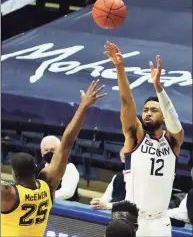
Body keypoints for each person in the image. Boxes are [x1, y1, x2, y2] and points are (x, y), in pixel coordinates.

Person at [1, 80, 107, 237]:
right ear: (35, 169)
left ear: (14, 174)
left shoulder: (7, 193)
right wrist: (83, 107)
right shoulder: (48, 185)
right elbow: (66, 143)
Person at [104, 41, 184, 237]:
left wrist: (158, 88)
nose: (148, 113)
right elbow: (126, 102)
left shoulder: (172, 140)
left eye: (154, 110)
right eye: (145, 110)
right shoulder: (136, 136)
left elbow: (175, 122)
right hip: (133, 219)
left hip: (160, 221)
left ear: (163, 115)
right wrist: (119, 68)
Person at [37, 135, 80, 201]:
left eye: (52, 150)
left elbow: (67, 192)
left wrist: (42, 197)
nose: (49, 153)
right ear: (42, 153)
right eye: (46, 150)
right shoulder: (40, 167)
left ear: (60, 150)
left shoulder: (69, 168)